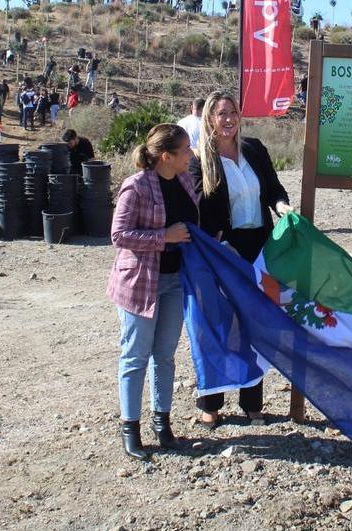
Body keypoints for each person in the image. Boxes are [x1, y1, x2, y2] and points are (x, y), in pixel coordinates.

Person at [189, 91, 292, 429]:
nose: (229, 119)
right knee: (219, 325)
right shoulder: (199, 160)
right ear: (209, 119)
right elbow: (199, 212)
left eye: (233, 112)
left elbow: (274, 189)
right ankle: (211, 404)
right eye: (221, 114)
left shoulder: (255, 149)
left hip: (261, 248)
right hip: (224, 254)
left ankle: (252, 404)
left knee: (257, 324)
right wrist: (220, 242)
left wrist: (282, 207)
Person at [107, 123, 197, 460]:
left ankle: (163, 422)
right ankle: (130, 427)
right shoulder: (137, 186)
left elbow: (191, 226)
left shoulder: (186, 181)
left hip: (175, 281)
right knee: (135, 355)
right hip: (140, 284)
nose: (191, 155)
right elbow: (119, 235)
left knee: (165, 354)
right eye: (186, 150)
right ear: (166, 156)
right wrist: (164, 237)